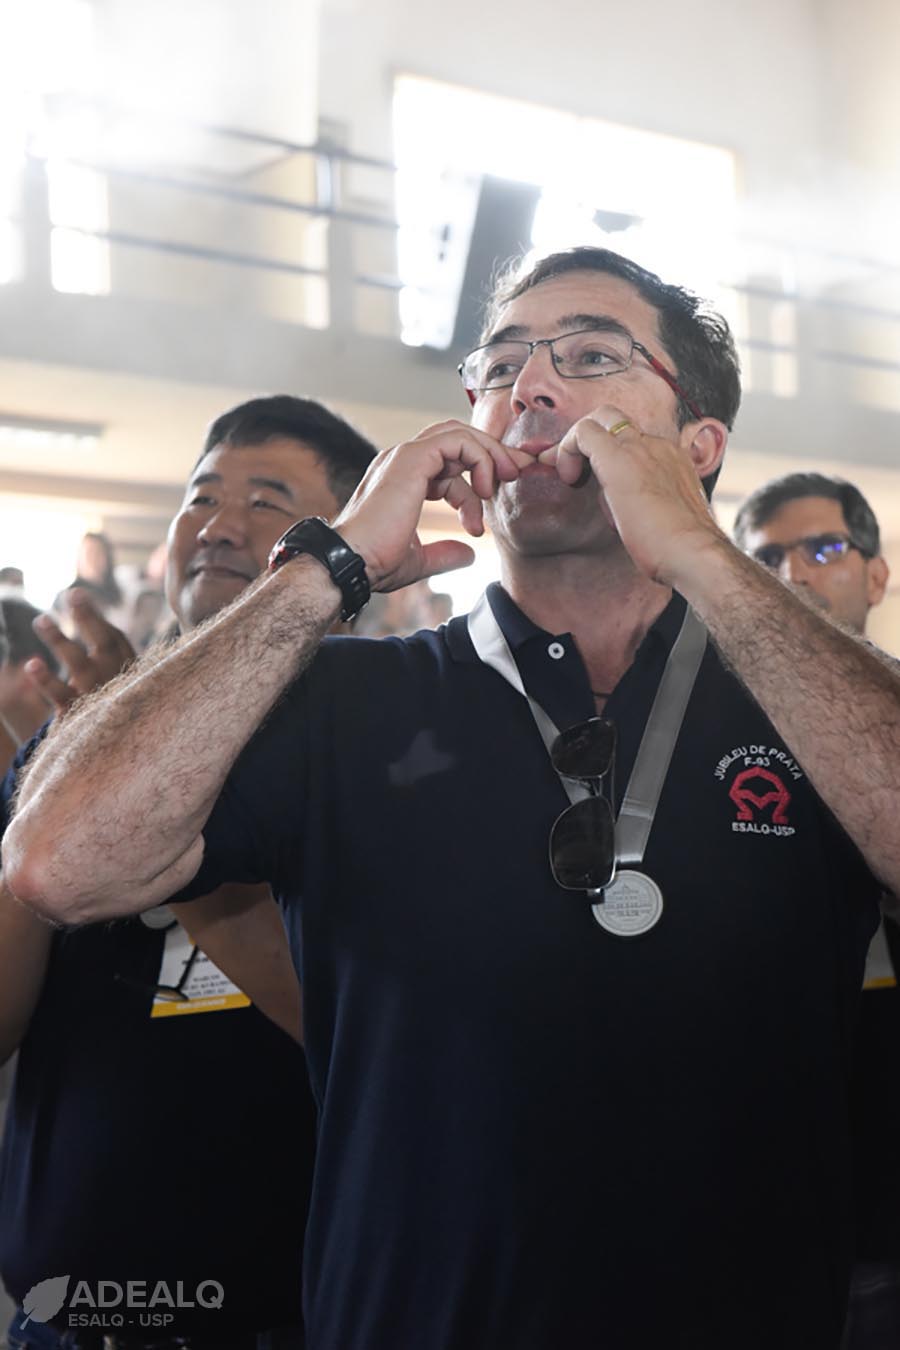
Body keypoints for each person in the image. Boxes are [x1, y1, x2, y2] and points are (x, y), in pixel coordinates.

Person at [5, 248, 900, 1350]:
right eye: (501, 365)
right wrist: (326, 567)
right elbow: (55, 861)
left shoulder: (807, 696)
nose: (532, 386)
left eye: (591, 356)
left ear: (698, 446)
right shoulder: (342, 697)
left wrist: (706, 560)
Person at [0, 394, 377, 1349]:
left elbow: (360, 1043)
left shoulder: (391, 750)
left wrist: (151, 807)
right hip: (66, 1322)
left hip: (288, 1318)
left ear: (357, 542)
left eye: (268, 500)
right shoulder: (75, 740)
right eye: (201, 496)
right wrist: (87, 770)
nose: (218, 524)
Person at [734, 471, 897, 1349]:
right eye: (763, 558)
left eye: (823, 549)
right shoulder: (703, 736)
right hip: (755, 1145)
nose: (792, 573)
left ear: (876, 573)